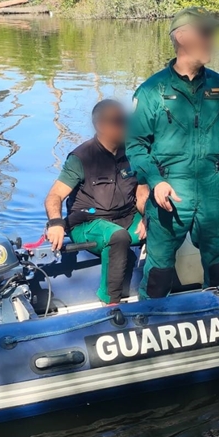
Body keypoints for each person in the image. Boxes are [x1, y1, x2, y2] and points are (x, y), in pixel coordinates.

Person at [127, 7, 219, 299]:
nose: (211, 41)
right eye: (205, 33)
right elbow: (135, 146)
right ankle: (152, 322)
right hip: (170, 190)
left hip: (210, 189)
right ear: (182, 38)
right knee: (160, 271)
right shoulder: (151, 91)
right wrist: (155, 180)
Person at [44, 100, 149, 304]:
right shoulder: (81, 158)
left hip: (126, 216)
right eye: (119, 121)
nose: (125, 125)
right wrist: (56, 224)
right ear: (101, 126)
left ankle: (154, 293)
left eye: (126, 120)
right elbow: (54, 196)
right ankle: (111, 302)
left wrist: (147, 216)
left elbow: (142, 193)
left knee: (162, 224)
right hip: (88, 222)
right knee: (117, 236)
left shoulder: (133, 152)